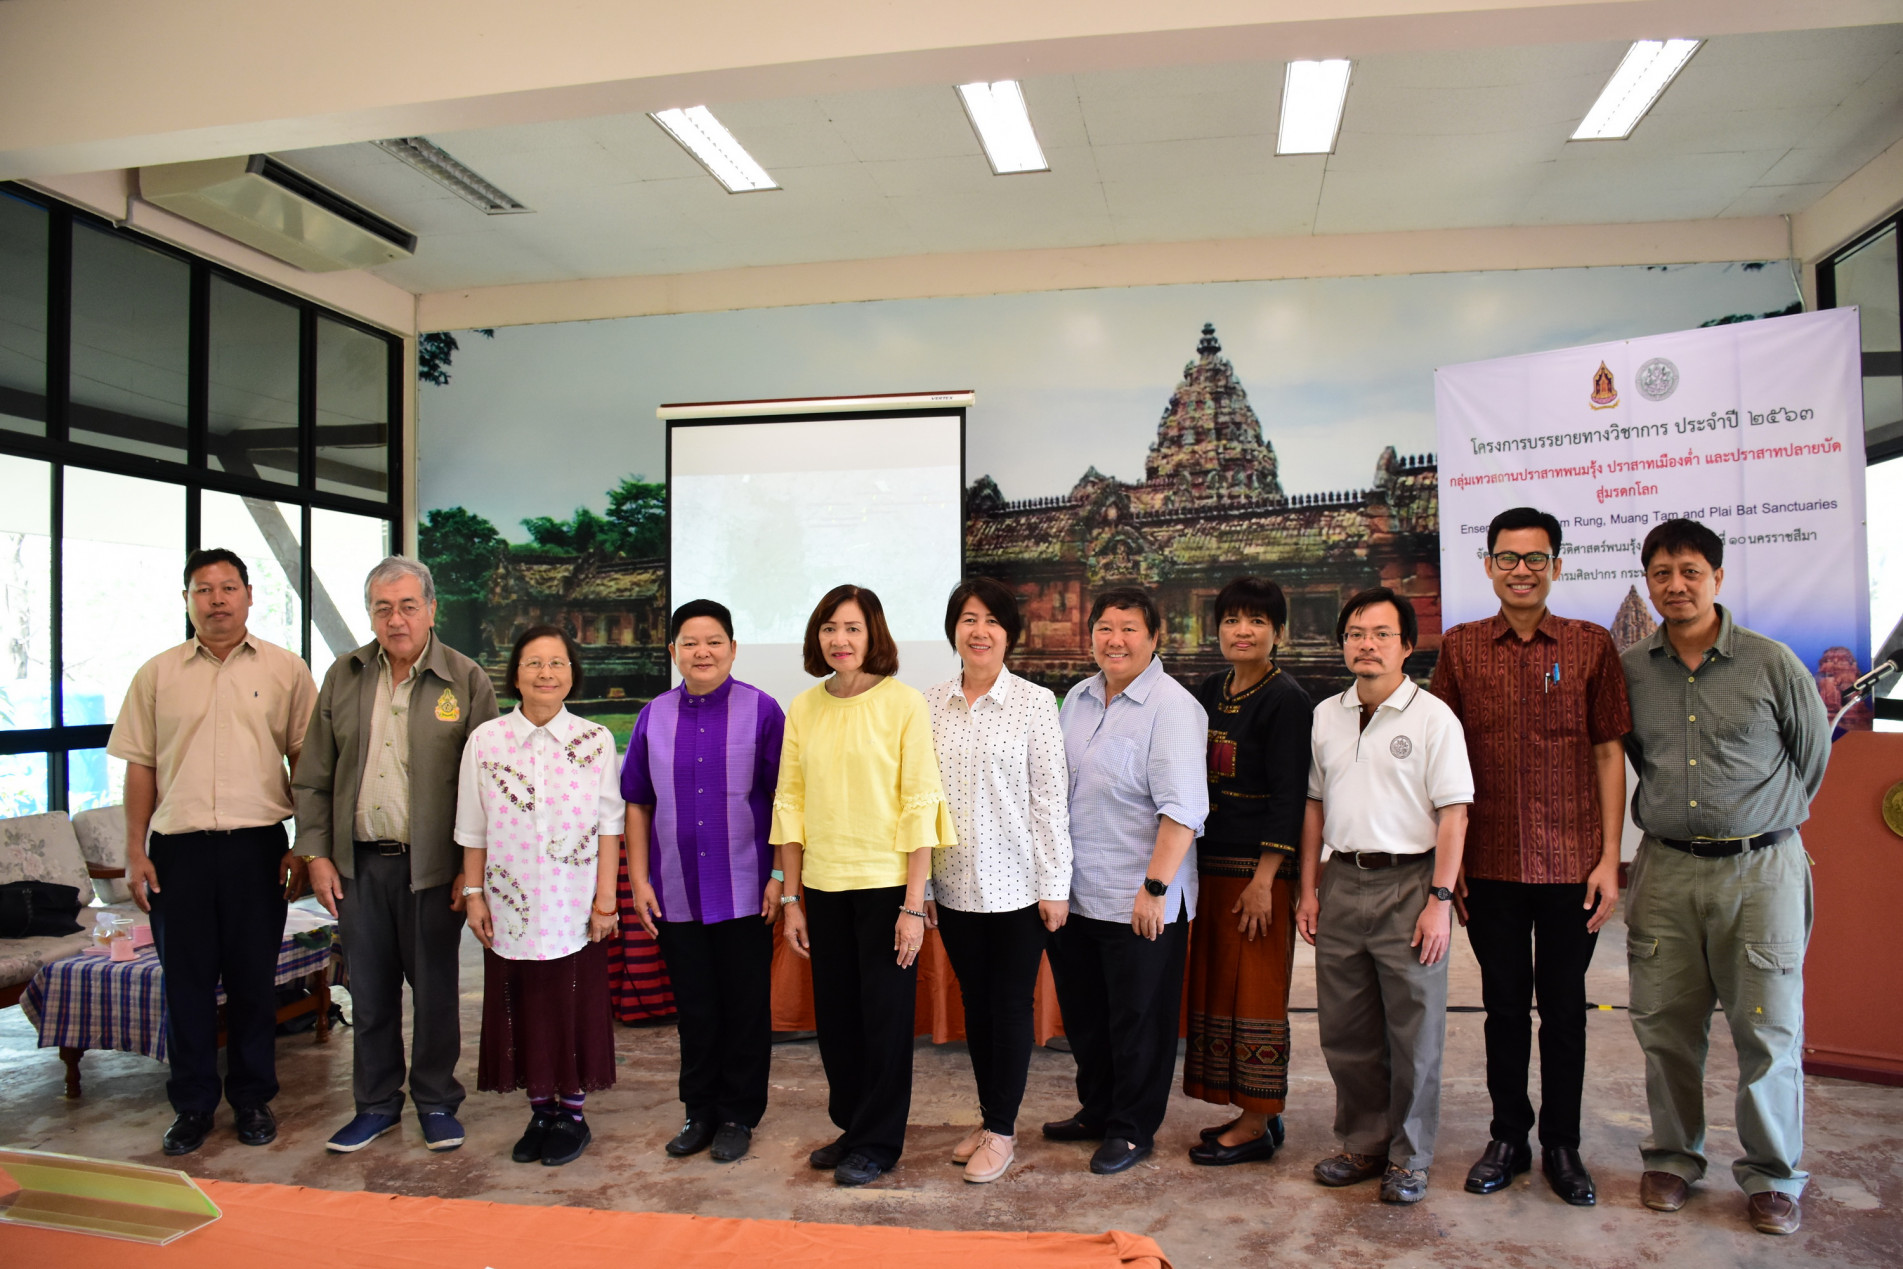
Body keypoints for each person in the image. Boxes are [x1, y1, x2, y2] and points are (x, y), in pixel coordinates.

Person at [1620, 518, 1827, 1236]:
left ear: (1716, 576)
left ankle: (1772, 1174)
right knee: (1664, 1025)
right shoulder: (1630, 668)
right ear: (1646, 582)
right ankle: (1674, 1156)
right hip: (1667, 869)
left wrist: (1759, 822)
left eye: (1689, 571)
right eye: (1660, 573)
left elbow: (1812, 758)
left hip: (1759, 869)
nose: (1675, 585)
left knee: (1766, 1025)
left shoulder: (1770, 663)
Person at [1429, 507, 1631, 1206]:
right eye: (1507, 558)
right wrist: (1445, 869)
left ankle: (1562, 1144)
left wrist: (1610, 857)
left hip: (1571, 864)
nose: (1520, 570)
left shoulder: (1589, 645)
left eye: (1534, 558)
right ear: (1487, 565)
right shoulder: (1458, 649)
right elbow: (1440, 760)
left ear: (1556, 565)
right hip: (1487, 865)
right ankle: (1508, 1135)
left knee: (1567, 1010)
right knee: (1503, 1007)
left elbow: (1608, 753)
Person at [106, 548, 318, 1156]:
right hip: (179, 854)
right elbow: (141, 766)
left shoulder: (285, 670)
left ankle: (252, 1100)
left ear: (250, 595)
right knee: (187, 986)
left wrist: (304, 845)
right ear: (187, 600)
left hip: (258, 849)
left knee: (254, 982)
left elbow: (304, 762)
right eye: (204, 589)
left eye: (229, 588)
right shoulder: (157, 674)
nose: (217, 599)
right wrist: (134, 851)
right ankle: (193, 1106)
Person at [293, 557, 498, 1155]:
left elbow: (485, 784)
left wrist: (471, 871)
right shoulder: (345, 675)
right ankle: (376, 1106)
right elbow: (313, 777)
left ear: (432, 610)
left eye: (408, 605)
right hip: (357, 867)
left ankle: (436, 1102)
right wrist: (317, 855)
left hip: (434, 869)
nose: (396, 619)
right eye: (383, 608)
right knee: (372, 993)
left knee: (436, 993)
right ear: (371, 615)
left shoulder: (465, 679)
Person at [771, 584, 955, 1187]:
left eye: (851, 628)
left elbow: (920, 804)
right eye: (829, 628)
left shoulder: (903, 704)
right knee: (839, 1021)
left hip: (884, 890)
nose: (840, 640)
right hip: (822, 889)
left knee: (883, 1023)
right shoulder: (804, 707)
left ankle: (879, 1143)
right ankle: (852, 1127)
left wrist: (912, 905)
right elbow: (790, 805)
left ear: (873, 633)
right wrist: (792, 897)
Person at [1297, 586, 1472, 1205]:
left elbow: (1454, 815)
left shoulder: (1433, 718)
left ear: (1406, 647)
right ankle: (1363, 1142)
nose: (1365, 645)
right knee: (1346, 1029)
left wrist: (1440, 901)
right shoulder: (1326, 714)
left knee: (1414, 1031)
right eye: (1354, 634)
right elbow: (1314, 804)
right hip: (1342, 879)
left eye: (1380, 634)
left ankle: (1411, 1156)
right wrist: (1310, 890)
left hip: (1411, 884)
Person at [1045, 586, 1209, 1175]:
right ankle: (1097, 1109)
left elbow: (1183, 809)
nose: (1115, 640)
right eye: (1105, 628)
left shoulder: (1173, 707)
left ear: (1154, 636)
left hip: (1140, 896)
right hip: (1079, 892)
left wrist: (1156, 889)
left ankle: (1132, 1127)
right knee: (1088, 1015)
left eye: (1129, 628)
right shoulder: (1079, 700)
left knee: (1140, 1019)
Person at [455, 624, 626, 1167]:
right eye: (534, 663)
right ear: (516, 675)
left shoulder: (595, 739)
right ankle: (539, 1110)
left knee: (572, 1004)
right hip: (510, 905)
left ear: (572, 674)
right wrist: (475, 895)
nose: (546, 673)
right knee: (522, 1006)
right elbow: (473, 827)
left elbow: (609, 826)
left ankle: (572, 1112)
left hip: (575, 904)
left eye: (557, 663)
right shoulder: (486, 740)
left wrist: (606, 902)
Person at [622, 599, 785, 1165]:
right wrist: (639, 878)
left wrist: (780, 878)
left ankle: (739, 1114)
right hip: (675, 893)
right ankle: (700, 1111)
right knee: (695, 1008)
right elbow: (638, 803)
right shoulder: (653, 715)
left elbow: (784, 802)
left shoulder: (763, 712)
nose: (702, 652)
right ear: (674, 652)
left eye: (714, 641)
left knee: (744, 1007)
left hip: (746, 890)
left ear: (733, 649)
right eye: (690, 642)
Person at [922, 577, 1072, 1184]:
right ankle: (990, 1119)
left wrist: (1055, 884)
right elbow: (918, 799)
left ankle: (1003, 1132)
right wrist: (923, 888)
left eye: (991, 620)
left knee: (1007, 1008)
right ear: (954, 629)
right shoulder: (927, 703)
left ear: (1010, 633)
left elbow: (1049, 801)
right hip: (952, 885)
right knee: (975, 1007)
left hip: (1017, 888)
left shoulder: (1036, 703)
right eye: (967, 619)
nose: (978, 630)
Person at [1184, 577, 1312, 1167]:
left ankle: (1259, 1121)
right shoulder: (1210, 690)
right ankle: (1254, 1112)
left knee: (1256, 995)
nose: (1243, 631)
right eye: (1233, 619)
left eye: (1257, 621)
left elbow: (1290, 797)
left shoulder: (1286, 700)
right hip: (1209, 867)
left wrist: (1266, 879)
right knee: (1219, 994)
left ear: (1277, 633)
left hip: (1256, 876)